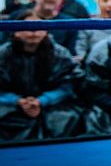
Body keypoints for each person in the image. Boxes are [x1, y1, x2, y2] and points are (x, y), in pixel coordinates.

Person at [0, 9, 83, 142]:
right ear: (16, 32)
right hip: (11, 106)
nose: (34, 31)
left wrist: (42, 101)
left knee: (68, 118)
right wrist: (18, 101)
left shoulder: (60, 54)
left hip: (52, 106)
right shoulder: (3, 55)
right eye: (28, 27)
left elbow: (68, 85)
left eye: (39, 27)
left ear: (46, 31)